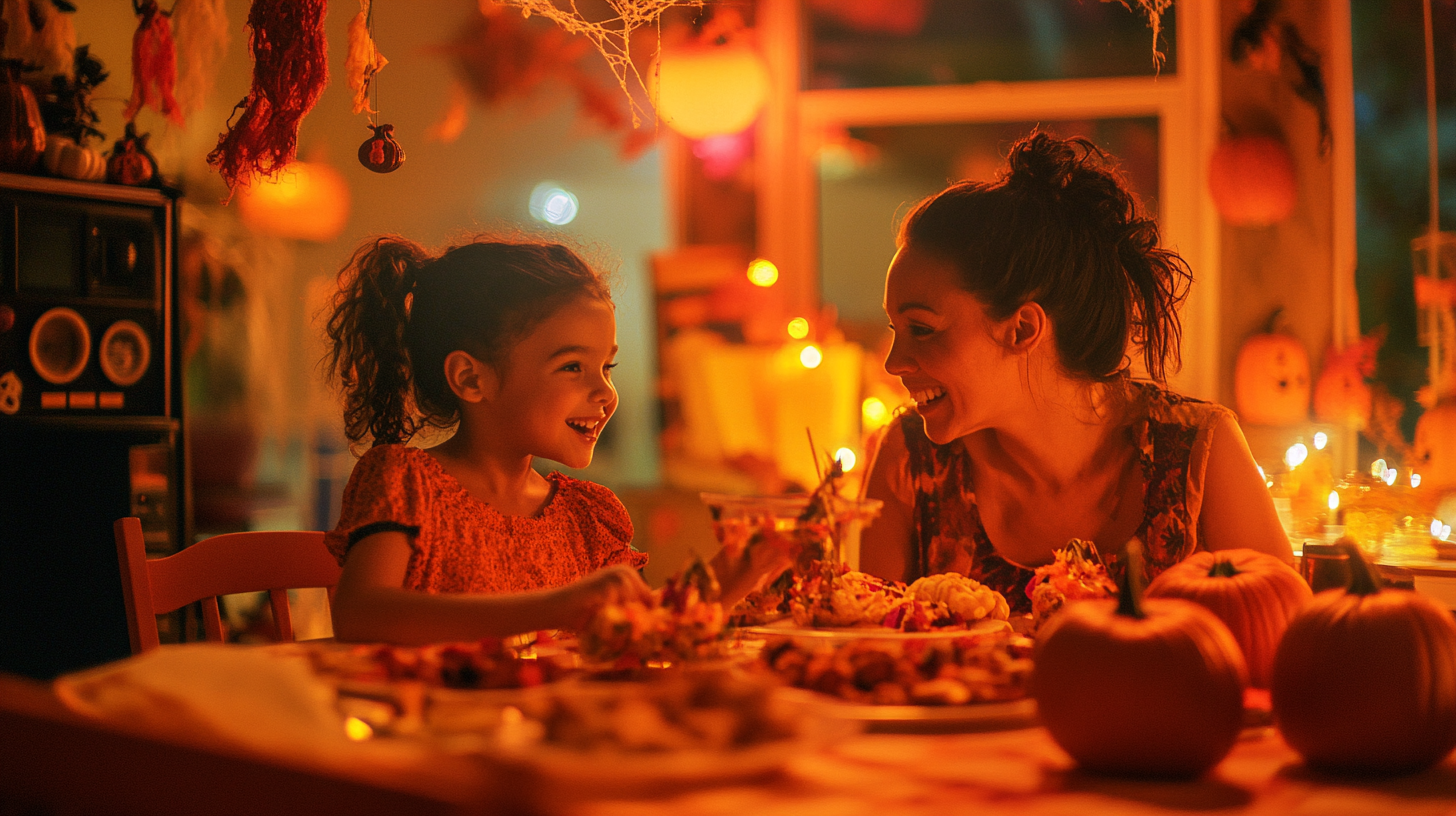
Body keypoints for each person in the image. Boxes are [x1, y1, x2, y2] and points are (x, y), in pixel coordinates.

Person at [859, 131, 1293, 614]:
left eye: (921, 328)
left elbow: (1280, 641)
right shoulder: (910, 460)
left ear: (1022, 327)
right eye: (896, 328)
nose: (893, 362)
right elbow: (867, 659)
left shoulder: (1199, 454)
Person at [321, 236, 655, 645]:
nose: (606, 392)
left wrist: (737, 574)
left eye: (607, 367)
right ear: (471, 378)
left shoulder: (589, 516)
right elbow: (360, 616)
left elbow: (650, 631)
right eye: (573, 366)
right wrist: (552, 607)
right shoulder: (407, 483)